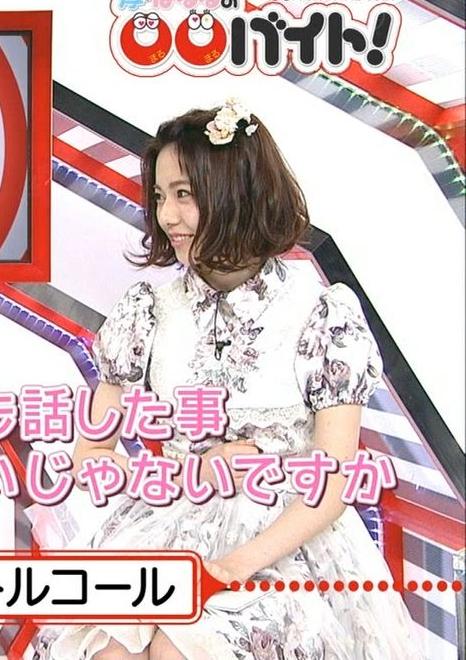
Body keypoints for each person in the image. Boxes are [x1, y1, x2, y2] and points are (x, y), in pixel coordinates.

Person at [37, 99, 418, 659]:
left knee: (183, 646)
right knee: (111, 650)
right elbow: (91, 453)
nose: (167, 216)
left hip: (284, 546)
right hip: (165, 531)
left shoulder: (319, 312)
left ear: (236, 191)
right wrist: (182, 472)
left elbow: (334, 481)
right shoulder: (148, 310)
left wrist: (228, 569)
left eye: (184, 194)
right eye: (160, 196)